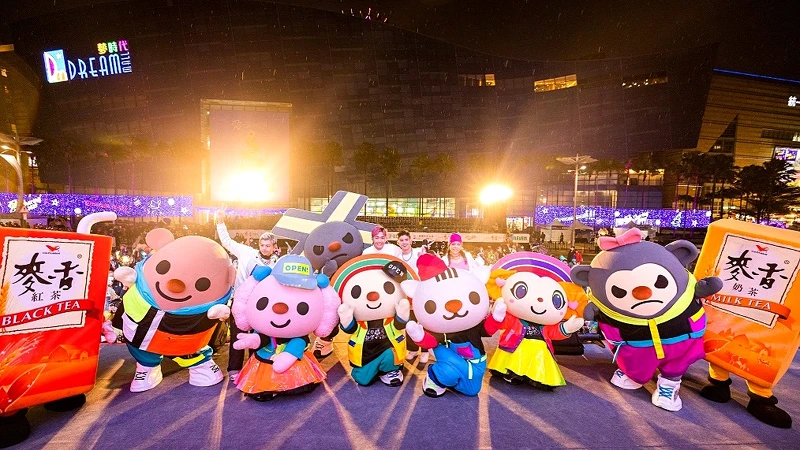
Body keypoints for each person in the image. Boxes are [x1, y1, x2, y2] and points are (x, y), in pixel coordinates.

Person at [215, 209, 279, 380]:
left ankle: (254, 366)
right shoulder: (247, 252)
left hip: (261, 306)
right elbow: (227, 242)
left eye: (268, 246)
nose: (264, 248)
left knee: (258, 336)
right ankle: (234, 369)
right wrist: (220, 222)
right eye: (262, 245)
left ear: (274, 247)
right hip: (240, 303)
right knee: (237, 334)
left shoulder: (277, 263)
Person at [396, 230, 434, 363]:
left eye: (406, 240)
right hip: (406, 293)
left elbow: (429, 266)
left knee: (423, 322)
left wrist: (424, 256)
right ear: (398, 242)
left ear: (411, 240)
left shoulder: (418, 252)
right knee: (410, 323)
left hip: (421, 292)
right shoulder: (397, 257)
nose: (404, 242)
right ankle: (412, 349)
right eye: (401, 240)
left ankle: (425, 351)